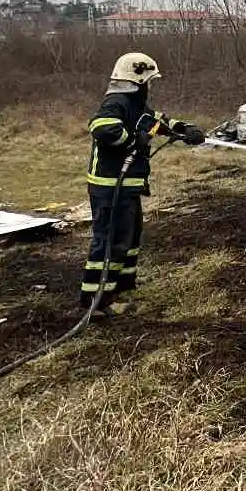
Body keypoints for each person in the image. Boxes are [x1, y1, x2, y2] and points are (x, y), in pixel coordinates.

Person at [81, 51, 206, 316]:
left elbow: (156, 120)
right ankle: (97, 301)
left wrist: (185, 130)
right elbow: (102, 128)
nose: (151, 85)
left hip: (126, 185)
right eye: (149, 80)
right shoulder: (116, 103)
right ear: (137, 80)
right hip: (111, 185)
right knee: (111, 240)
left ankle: (121, 286)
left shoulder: (135, 105)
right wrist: (131, 141)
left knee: (130, 235)